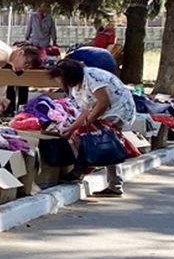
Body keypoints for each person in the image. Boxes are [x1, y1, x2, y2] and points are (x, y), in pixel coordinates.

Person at [56, 56, 137, 197]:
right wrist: (71, 128)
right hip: (105, 111)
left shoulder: (92, 77)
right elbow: (86, 111)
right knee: (90, 136)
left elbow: (103, 103)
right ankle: (110, 182)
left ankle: (82, 172)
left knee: (104, 140)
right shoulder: (77, 88)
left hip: (119, 110)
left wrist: (88, 122)